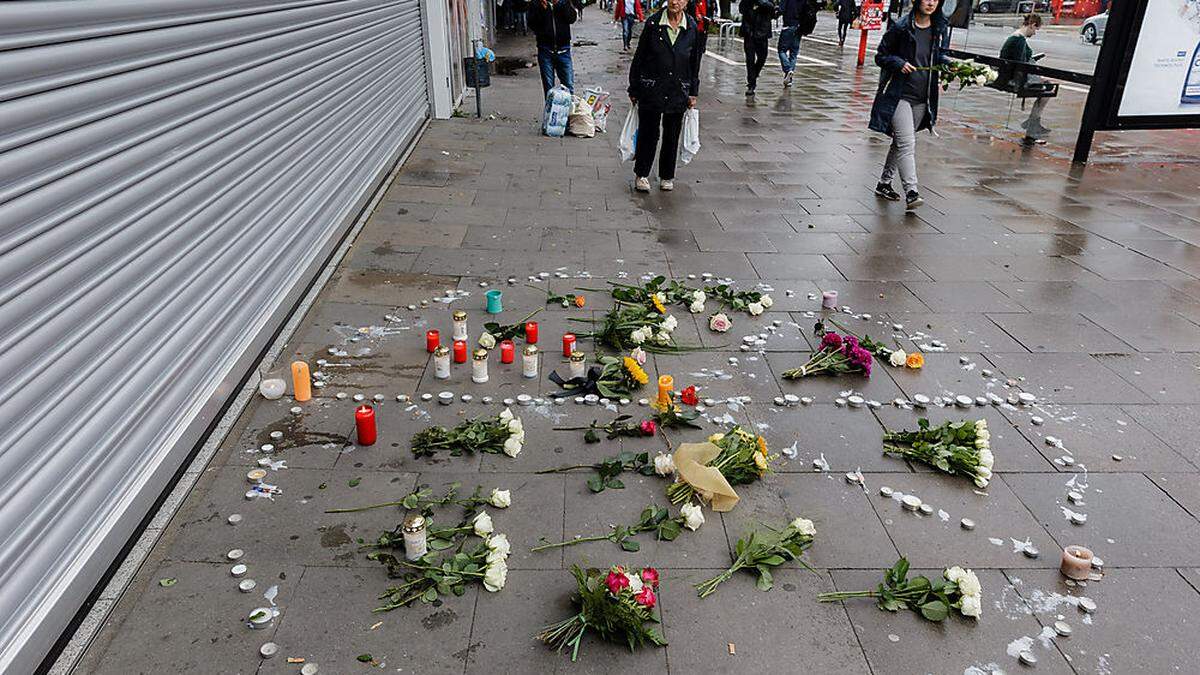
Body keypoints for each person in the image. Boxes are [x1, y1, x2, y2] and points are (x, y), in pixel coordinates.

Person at [868, 0, 950, 210]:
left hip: (923, 97)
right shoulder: (901, 27)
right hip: (899, 95)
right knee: (907, 144)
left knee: (901, 142)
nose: (931, 3)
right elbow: (881, 56)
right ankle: (912, 192)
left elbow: (938, 55)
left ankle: (884, 183)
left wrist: (949, 65)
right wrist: (899, 63)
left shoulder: (939, 28)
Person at [628, 0, 705, 192]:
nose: (674, 2)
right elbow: (640, 57)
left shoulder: (691, 27)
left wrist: (693, 91)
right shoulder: (653, 24)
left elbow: (694, 63)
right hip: (652, 87)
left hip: (677, 89)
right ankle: (642, 174)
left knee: (672, 135)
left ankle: (667, 176)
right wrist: (634, 87)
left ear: (686, 2)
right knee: (649, 133)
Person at [1000, 13, 1051, 144]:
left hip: (1009, 75)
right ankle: (1032, 127)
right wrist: (1037, 80)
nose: (1034, 33)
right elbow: (1021, 66)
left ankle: (1032, 124)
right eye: (1036, 30)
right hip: (1015, 79)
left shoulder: (1015, 37)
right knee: (1047, 90)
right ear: (1032, 25)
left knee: (1046, 86)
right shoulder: (1020, 40)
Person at [529, 0, 578, 95]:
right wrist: (543, 10)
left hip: (563, 50)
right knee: (548, 88)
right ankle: (550, 109)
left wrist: (562, 4)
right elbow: (532, 24)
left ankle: (568, 109)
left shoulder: (564, 2)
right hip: (545, 50)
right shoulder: (537, 3)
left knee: (568, 86)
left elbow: (571, 18)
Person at [738, 0, 777, 95]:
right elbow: (741, 9)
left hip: (762, 33)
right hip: (749, 33)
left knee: (762, 57)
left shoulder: (766, 2)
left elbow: (772, 9)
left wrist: (760, 2)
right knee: (750, 59)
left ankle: (754, 74)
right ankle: (751, 84)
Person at [778, 0, 818, 87]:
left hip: (788, 25)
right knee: (794, 53)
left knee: (781, 50)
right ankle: (789, 79)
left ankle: (788, 70)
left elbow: (781, 9)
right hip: (799, 27)